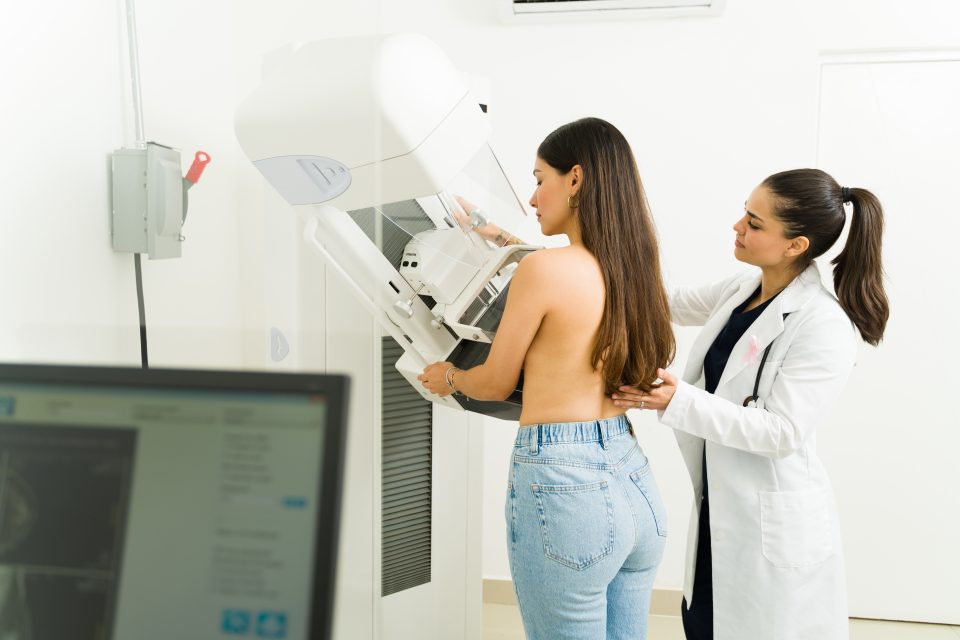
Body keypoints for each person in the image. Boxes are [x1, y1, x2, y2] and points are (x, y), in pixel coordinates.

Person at [419, 117, 675, 639]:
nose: (534, 198)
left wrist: (447, 375)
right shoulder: (633, 266)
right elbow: (563, 277)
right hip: (634, 482)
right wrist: (495, 233)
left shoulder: (543, 272)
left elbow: (492, 384)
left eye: (539, 179)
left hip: (567, 488)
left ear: (575, 179)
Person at [613, 169, 889, 640]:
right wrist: (575, 259)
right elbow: (666, 302)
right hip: (717, 505)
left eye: (755, 223)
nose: (738, 225)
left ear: (795, 246)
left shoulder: (824, 324)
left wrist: (677, 397)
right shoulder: (744, 288)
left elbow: (781, 432)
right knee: (703, 622)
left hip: (769, 520)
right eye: (745, 212)